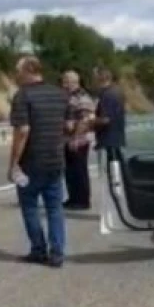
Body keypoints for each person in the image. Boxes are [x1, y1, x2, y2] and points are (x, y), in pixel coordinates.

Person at [7, 55, 69, 267]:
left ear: (28, 70)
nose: (16, 75)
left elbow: (22, 131)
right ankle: (58, 252)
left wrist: (14, 163)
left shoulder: (23, 96)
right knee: (55, 208)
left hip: (31, 164)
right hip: (55, 161)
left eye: (18, 71)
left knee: (30, 207)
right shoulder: (60, 94)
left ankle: (39, 250)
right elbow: (69, 126)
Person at [61, 70, 96, 210]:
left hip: (79, 140)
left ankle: (82, 200)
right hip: (68, 139)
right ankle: (73, 198)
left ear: (73, 82)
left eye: (65, 81)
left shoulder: (83, 97)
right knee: (70, 171)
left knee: (79, 170)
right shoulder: (70, 97)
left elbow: (85, 120)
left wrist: (75, 137)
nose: (63, 84)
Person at [89, 67, 127, 174]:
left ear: (101, 78)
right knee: (118, 170)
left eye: (95, 78)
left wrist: (90, 121)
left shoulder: (107, 94)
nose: (93, 81)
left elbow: (106, 119)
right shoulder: (117, 91)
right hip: (116, 137)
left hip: (109, 140)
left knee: (113, 173)